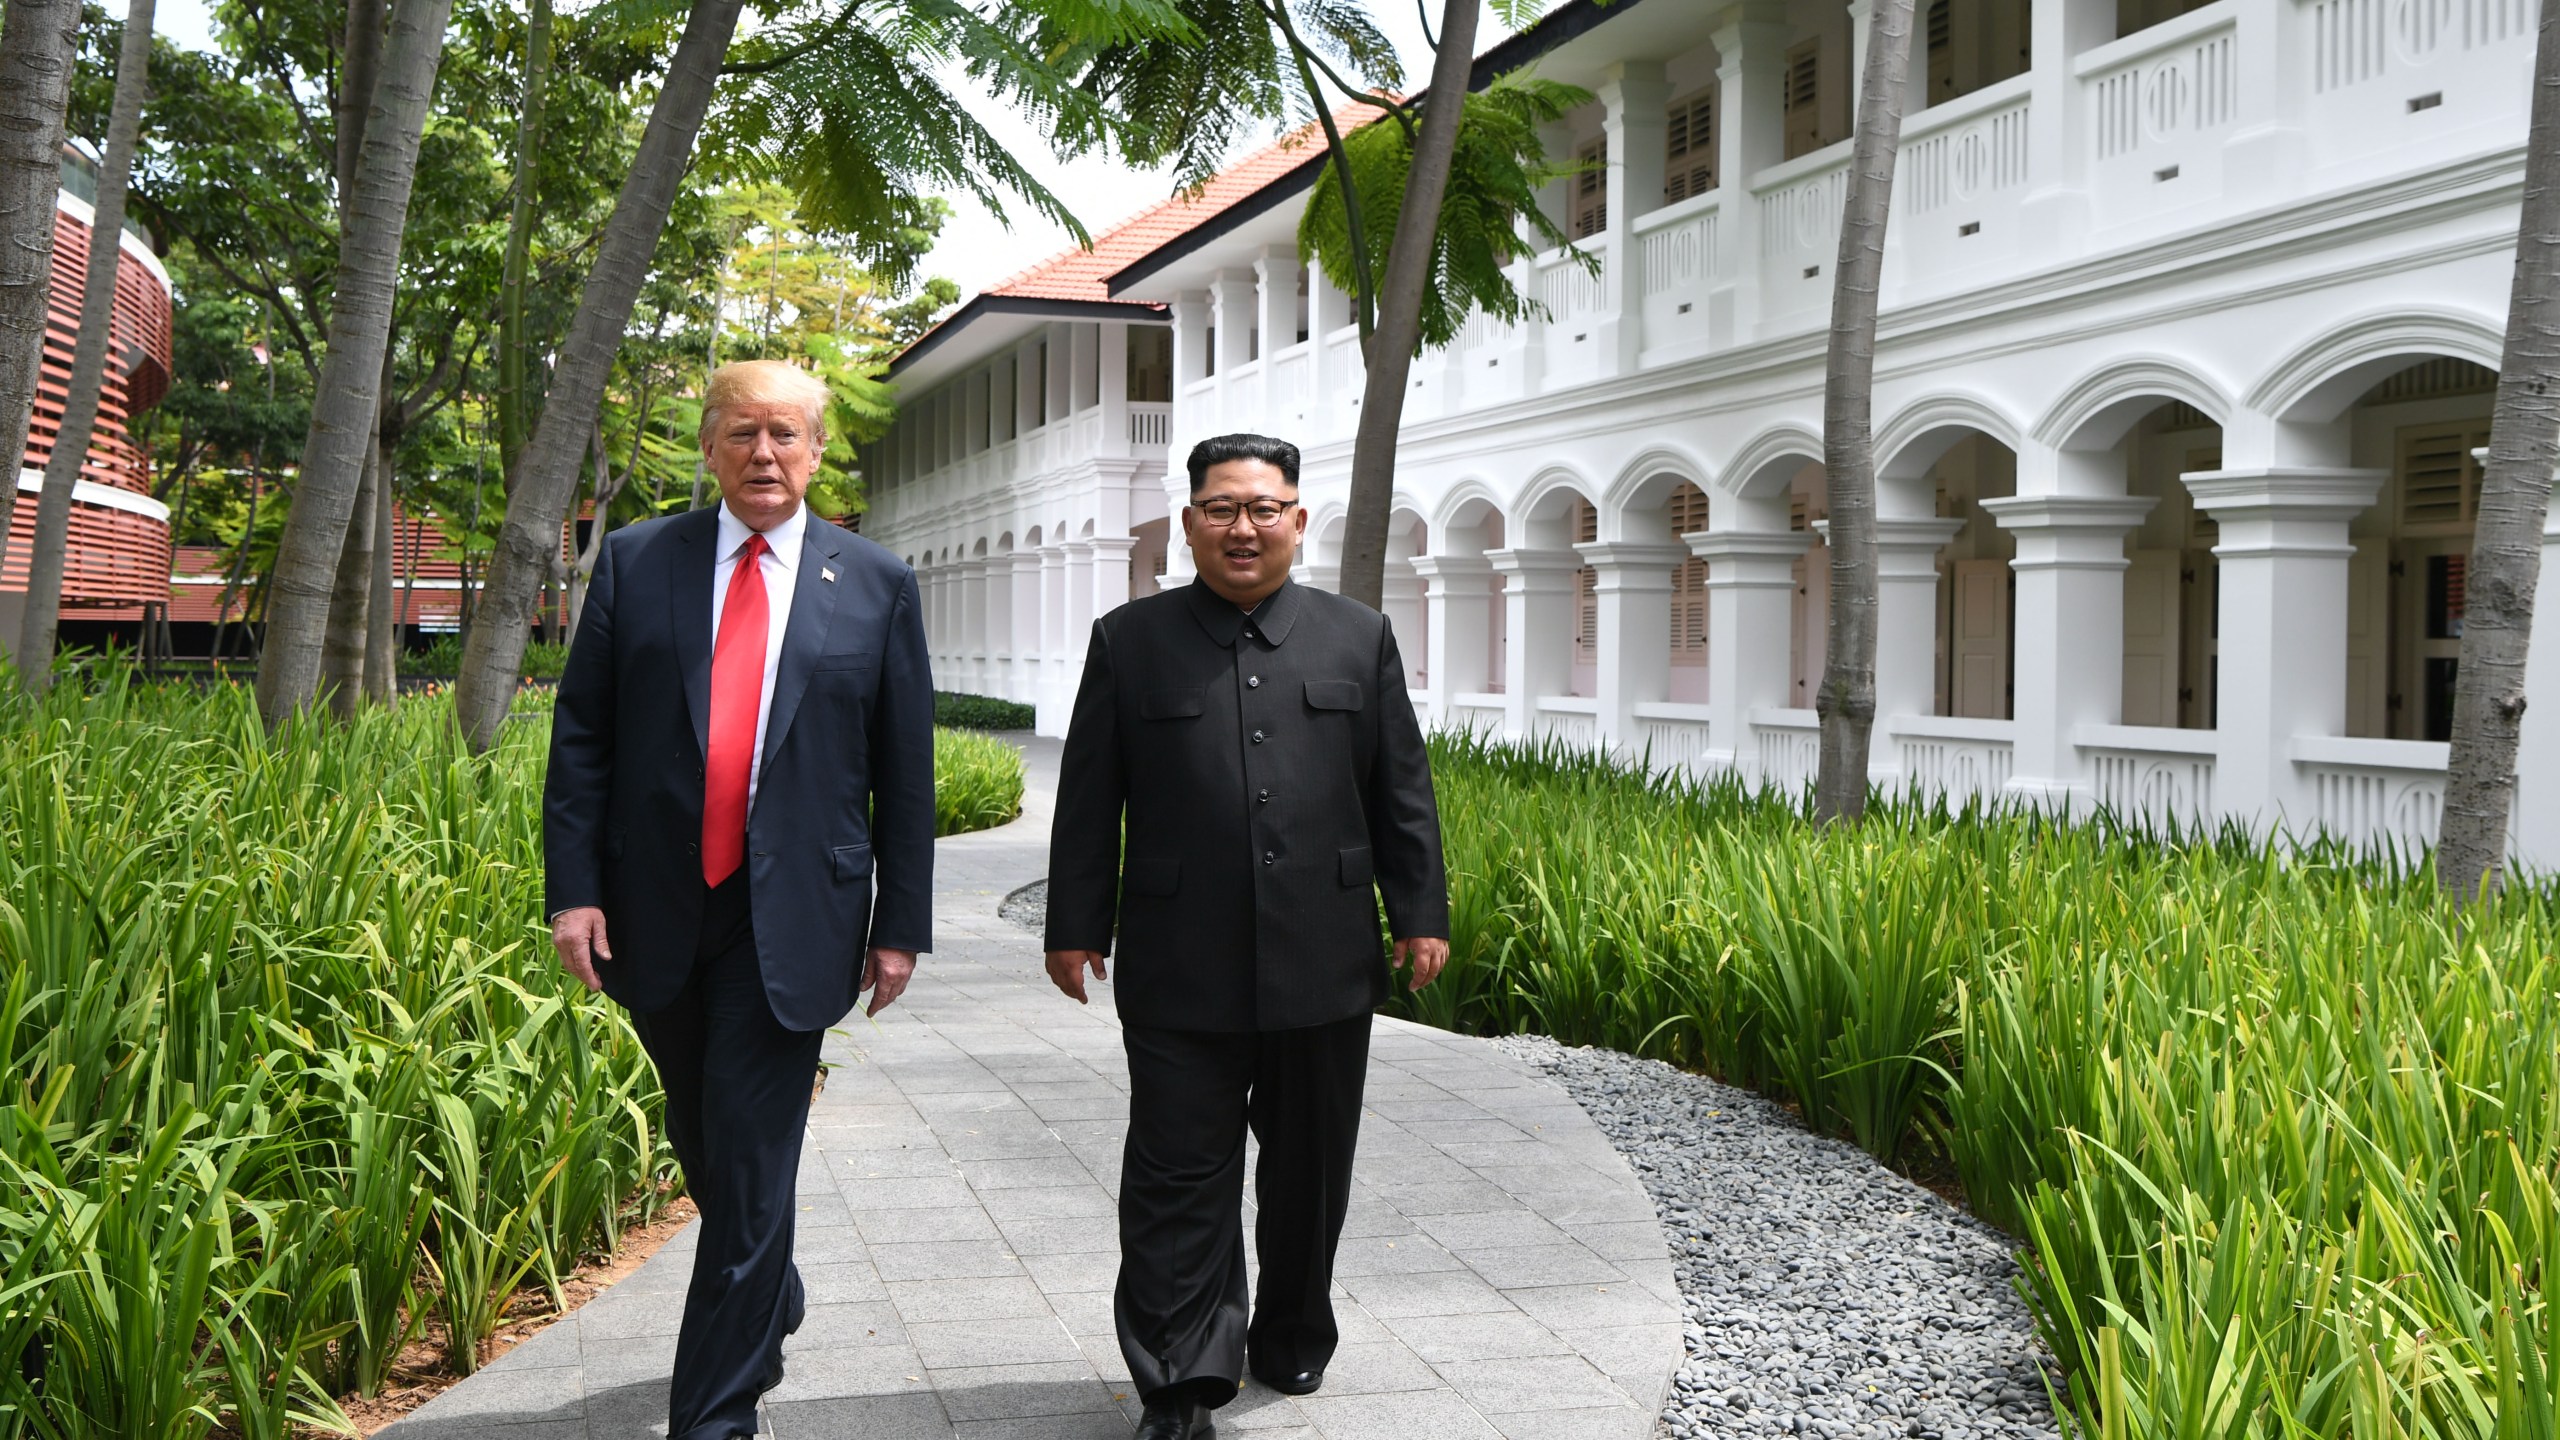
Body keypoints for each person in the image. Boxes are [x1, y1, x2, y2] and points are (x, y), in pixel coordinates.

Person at [543, 359, 934, 1440]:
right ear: (709, 446)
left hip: (797, 912)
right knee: (701, 1132)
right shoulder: (633, 562)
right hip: (657, 904)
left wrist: (899, 924)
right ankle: (769, 1286)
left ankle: (714, 1416)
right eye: (743, 433)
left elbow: (904, 772)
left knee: (755, 1160)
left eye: (787, 435)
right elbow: (582, 740)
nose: (766, 454)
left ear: (817, 451)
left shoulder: (875, 582)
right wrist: (572, 892)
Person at [1044, 433, 1452, 1440]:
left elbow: (1399, 788)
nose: (1243, 526)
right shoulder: (1127, 641)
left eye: (1263, 507)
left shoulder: (1357, 637)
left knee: (1310, 1168)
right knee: (1179, 1173)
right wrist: (1072, 923)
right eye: (1221, 507)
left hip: (1326, 955)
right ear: (1188, 524)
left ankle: (1290, 1330)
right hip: (1180, 960)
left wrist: (1420, 913)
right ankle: (1181, 1380)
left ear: (1297, 521)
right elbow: (1091, 798)